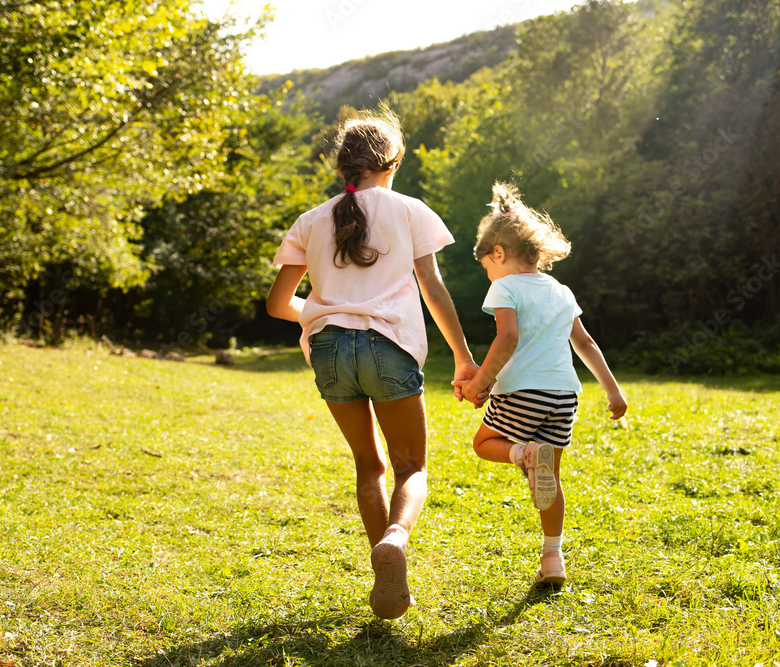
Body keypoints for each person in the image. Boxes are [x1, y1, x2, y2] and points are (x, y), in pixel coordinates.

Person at [266, 110, 482, 620]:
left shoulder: (312, 219)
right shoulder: (409, 209)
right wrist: (464, 356)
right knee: (411, 466)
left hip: (330, 352)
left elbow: (279, 304)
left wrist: (323, 316)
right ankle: (396, 540)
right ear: (392, 162)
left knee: (369, 468)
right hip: (390, 345)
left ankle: (385, 576)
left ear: (345, 165)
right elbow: (432, 288)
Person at [455, 182, 628, 587]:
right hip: (564, 396)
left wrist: (481, 382)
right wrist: (613, 391)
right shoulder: (561, 290)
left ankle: (526, 454)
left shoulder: (505, 287)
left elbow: (508, 339)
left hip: (522, 392)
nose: (488, 275)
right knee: (550, 478)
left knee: (485, 445)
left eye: (486, 267)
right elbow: (584, 343)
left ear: (497, 254)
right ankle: (553, 558)